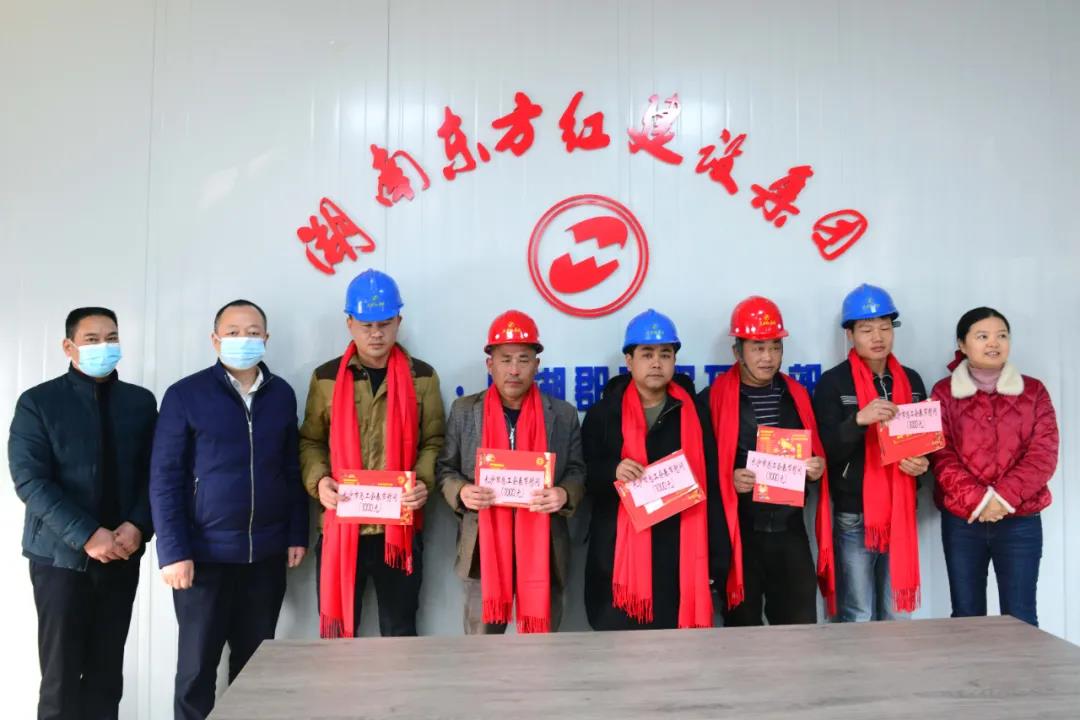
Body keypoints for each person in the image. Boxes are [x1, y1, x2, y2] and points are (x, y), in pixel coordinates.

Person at [150, 299, 309, 720]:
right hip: (204, 559)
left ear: (266, 338)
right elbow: (165, 478)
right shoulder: (185, 395)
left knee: (256, 672)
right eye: (234, 332)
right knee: (196, 673)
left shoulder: (281, 394)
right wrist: (173, 551)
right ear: (215, 339)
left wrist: (296, 532)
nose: (244, 339)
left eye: (253, 332)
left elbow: (290, 468)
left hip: (265, 556)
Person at [9, 306, 157, 720]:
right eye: (92, 339)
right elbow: (31, 481)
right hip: (60, 560)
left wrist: (138, 525)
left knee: (106, 677)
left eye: (112, 338)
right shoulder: (38, 403)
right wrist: (88, 535)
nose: (103, 347)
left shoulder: (140, 402)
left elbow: (156, 473)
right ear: (68, 346)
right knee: (60, 678)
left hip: (122, 555)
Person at [300, 269, 445, 638]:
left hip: (399, 527)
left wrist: (423, 482)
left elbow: (434, 440)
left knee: (400, 632)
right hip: (340, 523)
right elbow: (311, 441)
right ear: (349, 323)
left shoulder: (423, 377)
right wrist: (320, 481)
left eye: (384, 324)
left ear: (399, 322)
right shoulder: (326, 378)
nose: (376, 334)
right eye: (366, 325)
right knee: (336, 636)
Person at [436, 310, 585, 633]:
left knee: (543, 647)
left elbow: (577, 470)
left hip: (544, 547)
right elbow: (445, 468)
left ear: (537, 364)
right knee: (482, 646)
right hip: (483, 548)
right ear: (489, 364)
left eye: (523, 359)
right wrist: (461, 491)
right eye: (505, 360)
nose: (514, 370)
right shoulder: (465, 412)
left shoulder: (562, 414)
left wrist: (564, 493)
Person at [703, 296, 835, 626]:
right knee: (742, 632)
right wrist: (728, 479)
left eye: (775, 347)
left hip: (790, 532)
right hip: (741, 535)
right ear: (737, 352)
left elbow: (815, 453)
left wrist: (817, 468)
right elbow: (699, 467)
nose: (768, 357)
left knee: (798, 631)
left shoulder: (797, 395)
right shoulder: (712, 400)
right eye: (758, 348)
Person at [583, 309, 719, 630]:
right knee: (618, 646)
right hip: (616, 553)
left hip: (677, 549)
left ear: (674, 360)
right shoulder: (603, 414)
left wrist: (717, 558)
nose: (657, 363)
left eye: (665, 354)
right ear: (629, 361)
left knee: (673, 649)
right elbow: (583, 474)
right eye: (647, 354)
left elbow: (711, 481)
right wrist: (613, 471)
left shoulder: (693, 413)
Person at [931, 307, 1058, 627]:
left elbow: (1043, 455)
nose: (993, 343)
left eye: (1002, 335)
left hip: (1020, 521)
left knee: (1021, 618)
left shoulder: (1034, 391)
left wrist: (1001, 499)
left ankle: (1022, 666)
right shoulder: (943, 392)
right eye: (982, 336)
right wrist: (978, 500)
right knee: (966, 617)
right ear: (962, 344)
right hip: (963, 521)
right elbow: (941, 455)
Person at [813, 284, 929, 621]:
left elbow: (927, 442)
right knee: (858, 613)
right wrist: (858, 421)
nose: (877, 337)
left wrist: (923, 464)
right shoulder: (834, 383)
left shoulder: (911, 381)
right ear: (850, 334)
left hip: (901, 510)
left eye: (885, 327)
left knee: (897, 614)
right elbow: (825, 450)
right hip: (854, 514)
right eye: (866, 329)